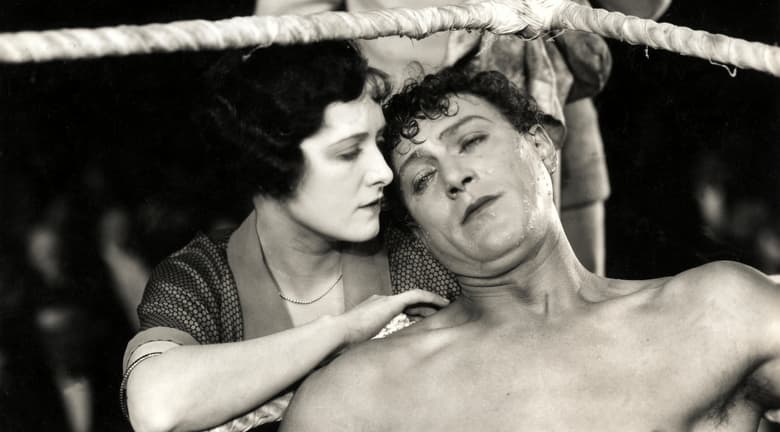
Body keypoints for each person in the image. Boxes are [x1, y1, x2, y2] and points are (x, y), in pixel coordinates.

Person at [277, 67, 780, 432]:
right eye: (423, 178)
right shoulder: (359, 394)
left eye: (471, 140)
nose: (455, 176)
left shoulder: (714, 310)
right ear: (414, 228)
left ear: (541, 145)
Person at [121, 41, 454, 432]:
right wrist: (342, 330)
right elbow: (155, 406)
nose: (382, 172)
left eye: (378, 143)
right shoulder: (200, 277)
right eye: (348, 153)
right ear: (269, 164)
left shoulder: (420, 252)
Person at [255, 0, 672, 276]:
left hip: (546, 102)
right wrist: (354, 107)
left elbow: (638, 9)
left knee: (574, 298)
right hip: (397, 115)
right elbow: (283, 34)